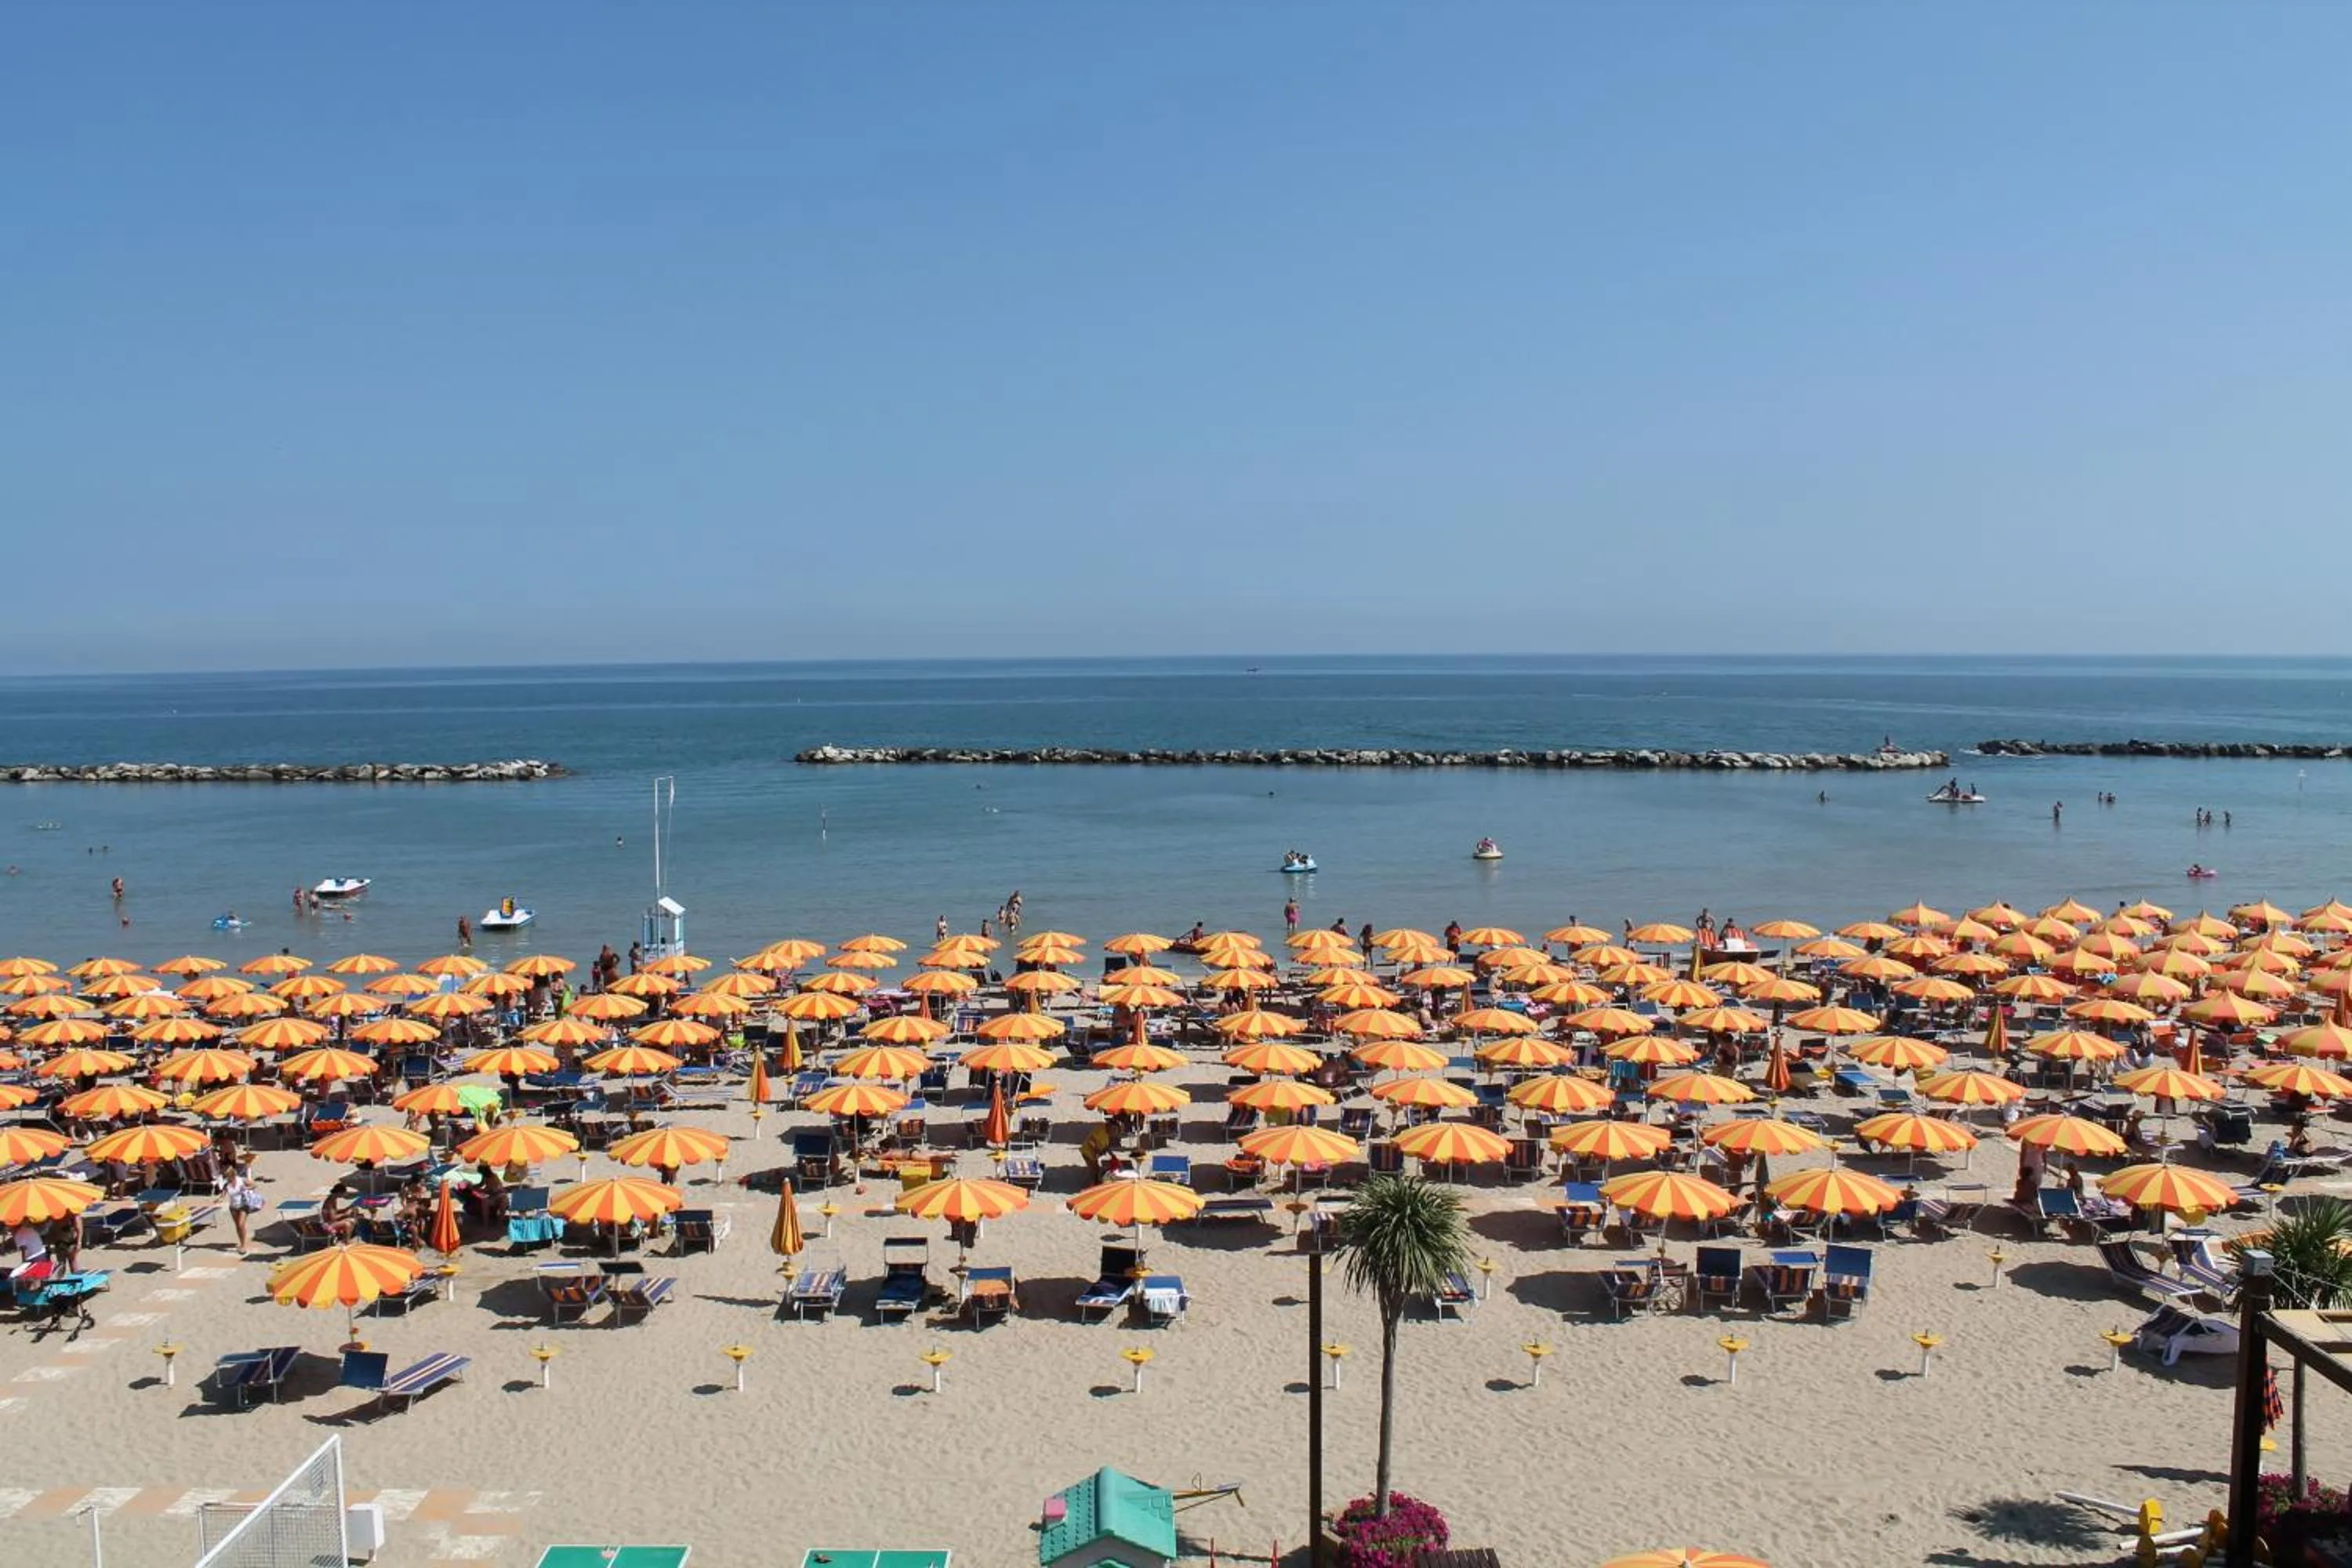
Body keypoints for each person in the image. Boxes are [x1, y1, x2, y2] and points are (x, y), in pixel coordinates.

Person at [224, 1157, 262, 1255]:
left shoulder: (241, 1180)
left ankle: (244, 1246)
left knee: (241, 1224)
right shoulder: (227, 1184)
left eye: (228, 1176)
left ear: (232, 1175)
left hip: (243, 1205)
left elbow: (254, 1185)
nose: (227, 1177)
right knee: (238, 1226)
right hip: (233, 1207)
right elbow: (224, 1193)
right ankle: (241, 1243)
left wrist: (245, 1188)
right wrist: (219, 1199)